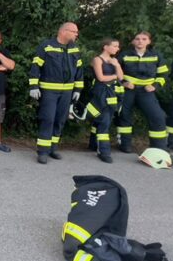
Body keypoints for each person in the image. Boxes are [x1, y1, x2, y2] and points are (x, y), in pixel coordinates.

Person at [29, 22, 83, 164]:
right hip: (49, 91)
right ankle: (42, 151)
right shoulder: (47, 46)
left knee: (60, 120)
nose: (76, 34)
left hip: (67, 92)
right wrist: (34, 86)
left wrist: (77, 89)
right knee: (48, 119)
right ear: (63, 31)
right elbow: (36, 66)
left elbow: (79, 71)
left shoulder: (74, 49)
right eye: (74, 31)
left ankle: (53, 148)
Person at [117, 32, 169, 152]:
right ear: (133, 41)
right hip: (128, 90)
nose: (140, 41)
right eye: (137, 39)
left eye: (144, 39)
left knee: (158, 116)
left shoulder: (156, 55)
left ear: (149, 41)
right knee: (124, 116)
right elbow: (115, 71)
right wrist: (123, 82)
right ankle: (125, 145)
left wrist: (155, 86)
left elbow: (163, 74)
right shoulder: (124, 55)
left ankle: (159, 147)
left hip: (146, 91)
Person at [86, 39, 125, 163]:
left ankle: (93, 144)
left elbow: (121, 77)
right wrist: (114, 76)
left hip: (112, 93)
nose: (117, 48)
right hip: (100, 92)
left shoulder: (115, 60)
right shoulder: (97, 60)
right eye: (114, 46)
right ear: (105, 47)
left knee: (104, 117)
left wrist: (117, 65)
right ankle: (104, 151)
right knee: (104, 120)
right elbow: (101, 77)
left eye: (118, 46)